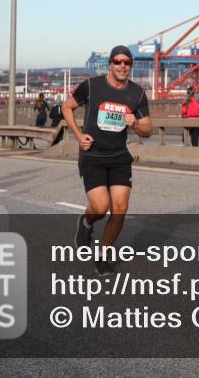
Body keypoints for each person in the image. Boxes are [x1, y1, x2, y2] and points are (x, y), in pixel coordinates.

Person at [62, 45, 153, 275]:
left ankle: (102, 255)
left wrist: (135, 122)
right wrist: (78, 134)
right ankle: (86, 222)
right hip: (92, 154)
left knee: (120, 209)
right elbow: (67, 107)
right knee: (101, 207)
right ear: (110, 64)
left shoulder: (137, 93)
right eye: (118, 61)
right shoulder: (92, 85)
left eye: (127, 62)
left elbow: (148, 130)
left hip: (119, 156)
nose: (123, 65)